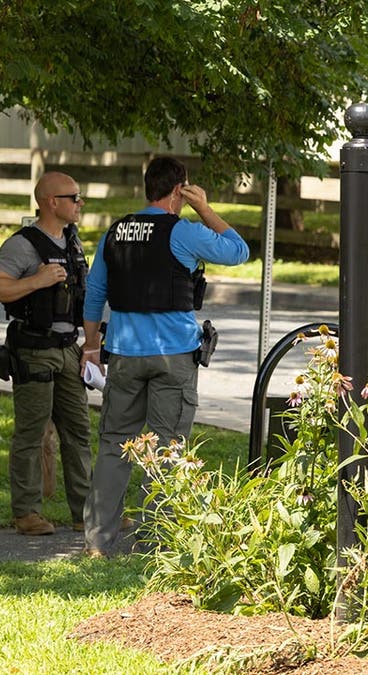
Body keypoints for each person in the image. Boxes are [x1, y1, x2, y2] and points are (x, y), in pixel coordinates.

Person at [80, 156, 249, 556]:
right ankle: (156, 546)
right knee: (168, 447)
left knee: (113, 445)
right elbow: (237, 250)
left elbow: (95, 293)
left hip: (122, 353)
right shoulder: (183, 232)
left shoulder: (115, 232)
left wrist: (90, 348)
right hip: (173, 355)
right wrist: (204, 208)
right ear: (179, 191)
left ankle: (96, 544)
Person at [0, 171, 93, 536]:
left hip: (68, 349)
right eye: (74, 197)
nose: (80, 203)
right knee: (31, 433)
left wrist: (91, 346)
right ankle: (27, 513)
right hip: (33, 349)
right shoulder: (23, 245)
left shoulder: (73, 242)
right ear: (51, 202)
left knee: (78, 431)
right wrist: (37, 280)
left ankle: (85, 513)